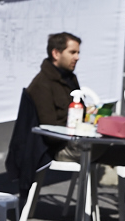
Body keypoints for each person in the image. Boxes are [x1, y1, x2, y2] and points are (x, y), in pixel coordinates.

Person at [27, 32, 84, 163]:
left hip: (78, 140)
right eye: (72, 52)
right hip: (58, 148)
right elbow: (49, 131)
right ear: (56, 54)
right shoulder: (41, 84)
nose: (77, 57)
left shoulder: (70, 78)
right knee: (107, 147)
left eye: (78, 52)